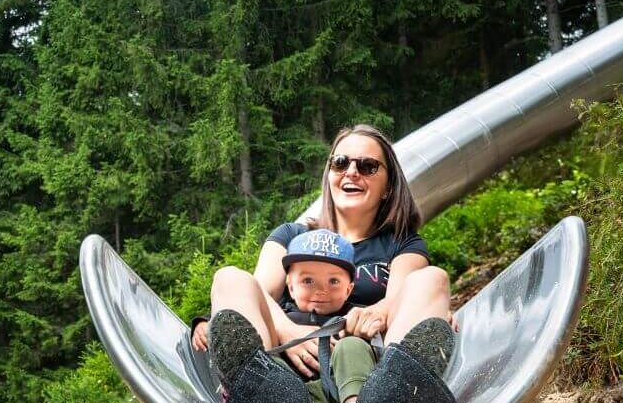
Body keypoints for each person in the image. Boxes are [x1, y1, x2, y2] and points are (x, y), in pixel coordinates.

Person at [191, 124, 456, 374]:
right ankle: (256, 385)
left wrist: (405, 311)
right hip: (284, 362)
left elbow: (396, 301)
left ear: (388, 186)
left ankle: (394, 387)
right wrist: (290, 332)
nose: (351, 172)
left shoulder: (403, 243)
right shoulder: (291, 235)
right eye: (340, 163)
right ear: (329, 175)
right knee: (229, 277)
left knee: (432, 279)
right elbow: (257, 292)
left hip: (364, 363)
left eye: (367, 166)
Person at [258, 228, 376, 403]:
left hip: (342, 396)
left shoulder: (353, 315)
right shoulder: (281, 317)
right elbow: (243, 311)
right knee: (268, 361)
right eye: (308, 281)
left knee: (352, 346)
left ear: (349, 289)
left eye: (334, 281)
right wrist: (205, 322)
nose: (321, 290)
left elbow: (385, 321)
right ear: (290, 287)